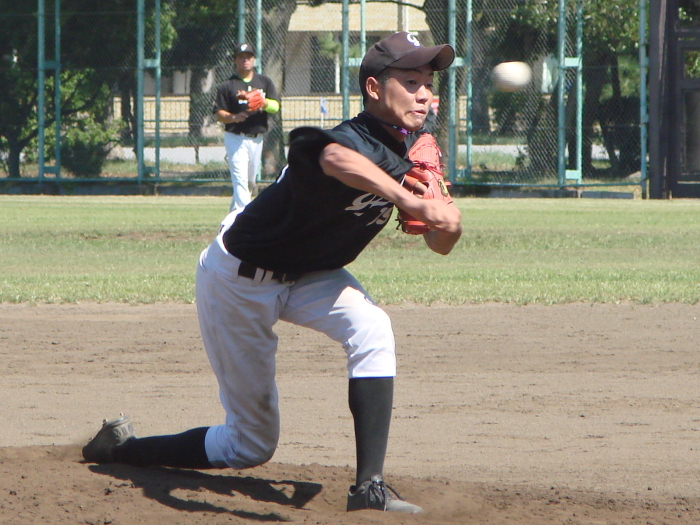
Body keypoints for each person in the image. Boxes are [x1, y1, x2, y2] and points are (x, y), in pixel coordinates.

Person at [82, 32, 462, 514]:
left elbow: (438, 245)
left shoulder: (411, 153)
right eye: (410, 82)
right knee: (250, 445)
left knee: (372, 328)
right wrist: (407, 196)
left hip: (309, 273)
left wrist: (447, 221)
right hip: (239, 279)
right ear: (373, 88)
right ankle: (122, 450)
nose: (424, 93)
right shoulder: (352, 138)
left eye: (428, 83)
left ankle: (369, 488)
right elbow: (331, 158)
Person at [213, 43, 280, 213]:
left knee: (248, 183)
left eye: (249, 56)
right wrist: (233, 117)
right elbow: (218, 112)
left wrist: (263, 102)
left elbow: (275, 107)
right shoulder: (228, 85)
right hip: (235, 137)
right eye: (241, 57)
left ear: (254, 59)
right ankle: (246, 219)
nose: (245, 60)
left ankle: (232, 220)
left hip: (256, 139)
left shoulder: (264, 82)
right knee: (240, 181)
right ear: (234, 60)